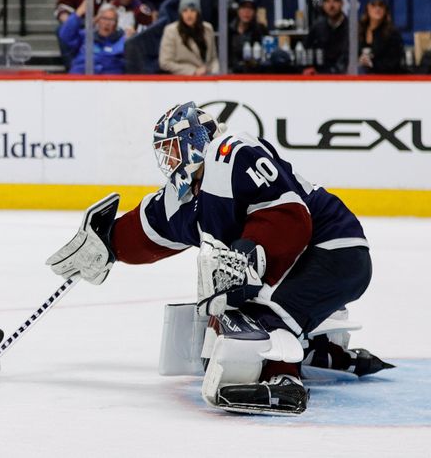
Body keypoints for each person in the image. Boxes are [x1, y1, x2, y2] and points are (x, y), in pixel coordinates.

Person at [46, 102, 393, 415]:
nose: (168, 162)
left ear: (195, 140)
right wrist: (107, 245)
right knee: (235, 307)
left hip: (336, 251)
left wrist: (249, 253)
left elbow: (290, 216)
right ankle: (322, 351)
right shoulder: (187, 197)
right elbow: (149, 228)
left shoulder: (231, 152)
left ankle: (284, 381)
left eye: (172, 150)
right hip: (303, 259)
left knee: (257, 315)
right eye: (163, 154)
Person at [58, 2, 126, 74]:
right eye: (104, 18)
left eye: (111, 20)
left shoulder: (122, 40)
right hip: (80, 78)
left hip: (109, 81)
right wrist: (78, 14)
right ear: (98, 20)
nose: (107, 23)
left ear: (116, 23)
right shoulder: (86, 36)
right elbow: (65, 35)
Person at [158, 0, 218, 75]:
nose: (189, 15)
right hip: (183, 81)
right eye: (185, 11)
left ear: (198, 13)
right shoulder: (171, 31)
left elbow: (213, 58)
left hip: (207, 79)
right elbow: (165, 62)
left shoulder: (208, 28)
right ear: (180, 13)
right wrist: (193, 71)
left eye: (193, 11)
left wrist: (215, 72)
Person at [303, 0, 348, 74]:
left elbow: (349, 57)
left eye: (335, 1)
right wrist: (308, 67)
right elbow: (307, 48)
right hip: (319, 75)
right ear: (323, 5)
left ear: (342, 3)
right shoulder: (318, 26)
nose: (331, 5)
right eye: (327, 1)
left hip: (344, 76)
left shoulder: (350, 27)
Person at [358, 0, 404, 74]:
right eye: (373, 5)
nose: (377, 8)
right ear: (367, 7)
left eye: (381, 5)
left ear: (385, 9)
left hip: (387, 78)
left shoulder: (393, 33)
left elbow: (394, 61)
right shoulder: (360, 29)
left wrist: (372, 63)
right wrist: (359, 60)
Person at [229, 0, 268, 72]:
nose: (247, 12)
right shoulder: (229, 30)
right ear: (238, 10)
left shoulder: (261, 30)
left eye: (250, 8)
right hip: (232, 75)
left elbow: (266, 58)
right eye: (243, 8)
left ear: (254, 12)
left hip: (254, 75)